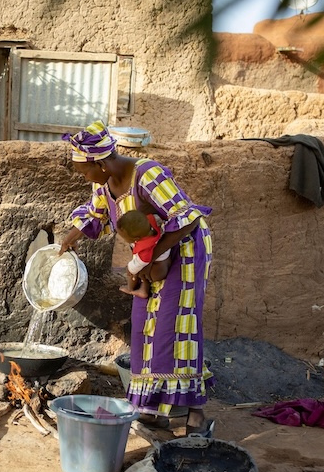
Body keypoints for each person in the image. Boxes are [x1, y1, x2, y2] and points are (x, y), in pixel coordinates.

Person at [59, 121, 214, 434]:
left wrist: (152, 255)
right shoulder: (103, 185)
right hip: (149, 254)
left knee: (174, 325)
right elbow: (95, 213)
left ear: (100, 164)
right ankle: (154, 407)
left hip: (183, 251)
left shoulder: (148, 174)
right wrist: (69, 236)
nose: (84, 177)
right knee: (145, 325)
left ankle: (195, 414)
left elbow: (186, 219)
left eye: (84, 171)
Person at [115, 210, 171, 299]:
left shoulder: (144, 250)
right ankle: (143, 288)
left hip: (157, 272)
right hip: (165, 260)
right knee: (142, 267)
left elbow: (141, 262)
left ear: (136, 238)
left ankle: (131, 289)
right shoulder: (152, 223)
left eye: (125, 238)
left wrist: (130, 268)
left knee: (135, 272)